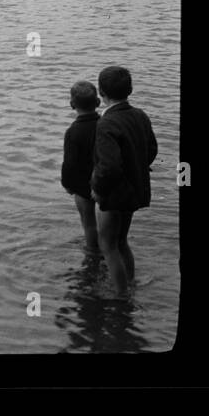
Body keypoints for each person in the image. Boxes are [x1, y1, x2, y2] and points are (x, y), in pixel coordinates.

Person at [90, 65, 159, 293]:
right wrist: (137, 168)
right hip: (133, 189)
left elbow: (108, 166)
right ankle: (129, 283)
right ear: (129, 89)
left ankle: (120, 296)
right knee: (122, 241)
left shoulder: (106, 123)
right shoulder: (140, 115)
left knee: (107, 245)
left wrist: (97, 190)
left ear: (101, 93)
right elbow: (151, 149)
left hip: (114, 194)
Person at [59, 81, 101, 250]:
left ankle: (92, 253)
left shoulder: (73, 131)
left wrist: (67, 184)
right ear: (98, 102)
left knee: (88, 221)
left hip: (83, 184)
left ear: (72, 104)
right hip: (105, 178)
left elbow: (70, 163)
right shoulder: (106, 124)